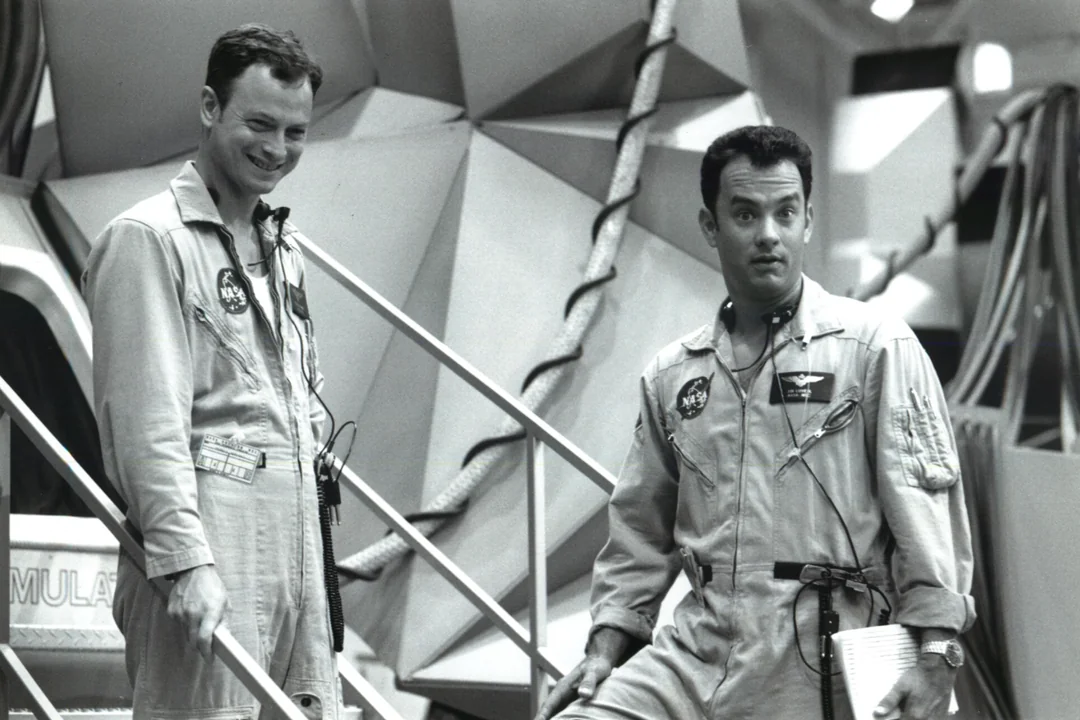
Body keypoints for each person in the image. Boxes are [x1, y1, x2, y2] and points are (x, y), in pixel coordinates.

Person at [537, 125, 975, 720]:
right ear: (711, 228)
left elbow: (927, 520)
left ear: (808, 221)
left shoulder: (873, 348)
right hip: (696, 651)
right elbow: (639, 533)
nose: (768, 234)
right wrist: (605, 648)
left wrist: (937, 655)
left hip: (816, 655)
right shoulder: (673, 376)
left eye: (785, 213)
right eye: (745, 215)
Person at [84, 24, 343, 719]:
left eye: (296, 133)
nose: (277, 149)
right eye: (259, 124)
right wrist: (186, 562)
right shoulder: (148, 239)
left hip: (293, 536)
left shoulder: (281, 247)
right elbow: (145, 426)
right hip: (209, 536)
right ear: (208, 107)